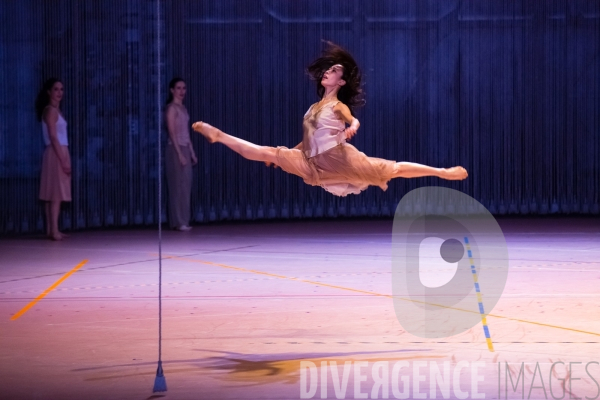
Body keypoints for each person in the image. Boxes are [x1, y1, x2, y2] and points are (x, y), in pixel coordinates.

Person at [192, 42, 467, 197]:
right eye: (328, 69)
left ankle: (441, 172)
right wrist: (291, 152)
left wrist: (353, 126)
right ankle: (219, 135)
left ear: (342, 80)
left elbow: (350, 119)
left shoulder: (337, 106)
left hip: (338, 158)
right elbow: (309, 139)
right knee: (267, 152)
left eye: (334, 70)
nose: (327, 72)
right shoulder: (314, 107)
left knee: (390, 170)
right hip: (312, 161)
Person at [35, 78, 71, 240]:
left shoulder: (56, 111)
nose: (59, 93)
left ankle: (51, 229)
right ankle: (54, 230)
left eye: (61, 89)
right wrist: (63, 159)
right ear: (49, 91)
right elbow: (53, 136)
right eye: (56, 89)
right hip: (56, 151)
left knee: (52, 192)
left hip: (56, 150)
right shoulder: (50, 111)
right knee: (55, 192)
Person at [165, 78, 197, 231]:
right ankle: (178, 221)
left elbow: (186, 133)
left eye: (184, 88)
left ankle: (184, 219)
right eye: (178, 88)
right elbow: (172, 133)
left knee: (186, 185)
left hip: (184, 147)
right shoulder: (171, 109)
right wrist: (179, 154)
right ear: (172, 90)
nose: (182, 91)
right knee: (177, 186)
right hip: (175, 149)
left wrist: (191, 152)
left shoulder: (183, 109)